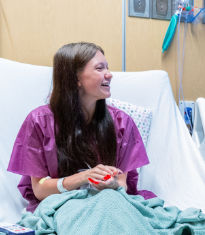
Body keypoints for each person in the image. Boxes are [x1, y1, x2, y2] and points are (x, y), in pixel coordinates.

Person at [7, 42, 156, 212]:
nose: (109, 74)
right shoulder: (39, 121)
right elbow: (40, 189)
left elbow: (122, 183)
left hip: (108, 205)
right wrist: (84, 177)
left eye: (107, 67)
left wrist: (111, 184)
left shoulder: (122, 123)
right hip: (62, 207)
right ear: (75, 78)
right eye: (100, 68)